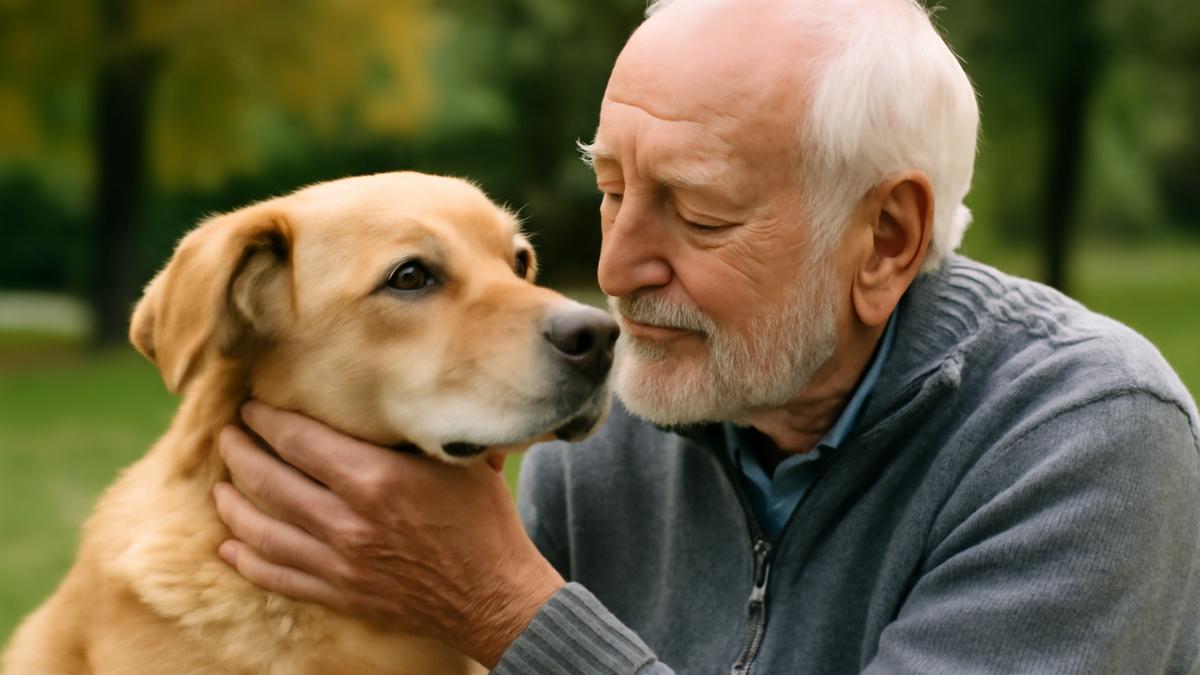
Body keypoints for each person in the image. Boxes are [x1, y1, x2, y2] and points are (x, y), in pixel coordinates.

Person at [213, 0, 1200, 672]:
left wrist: (510, 611)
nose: (614, 272)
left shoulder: (1087, 440)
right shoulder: (611, 422)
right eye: (611, 192)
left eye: (699, 212)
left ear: (886, 240)